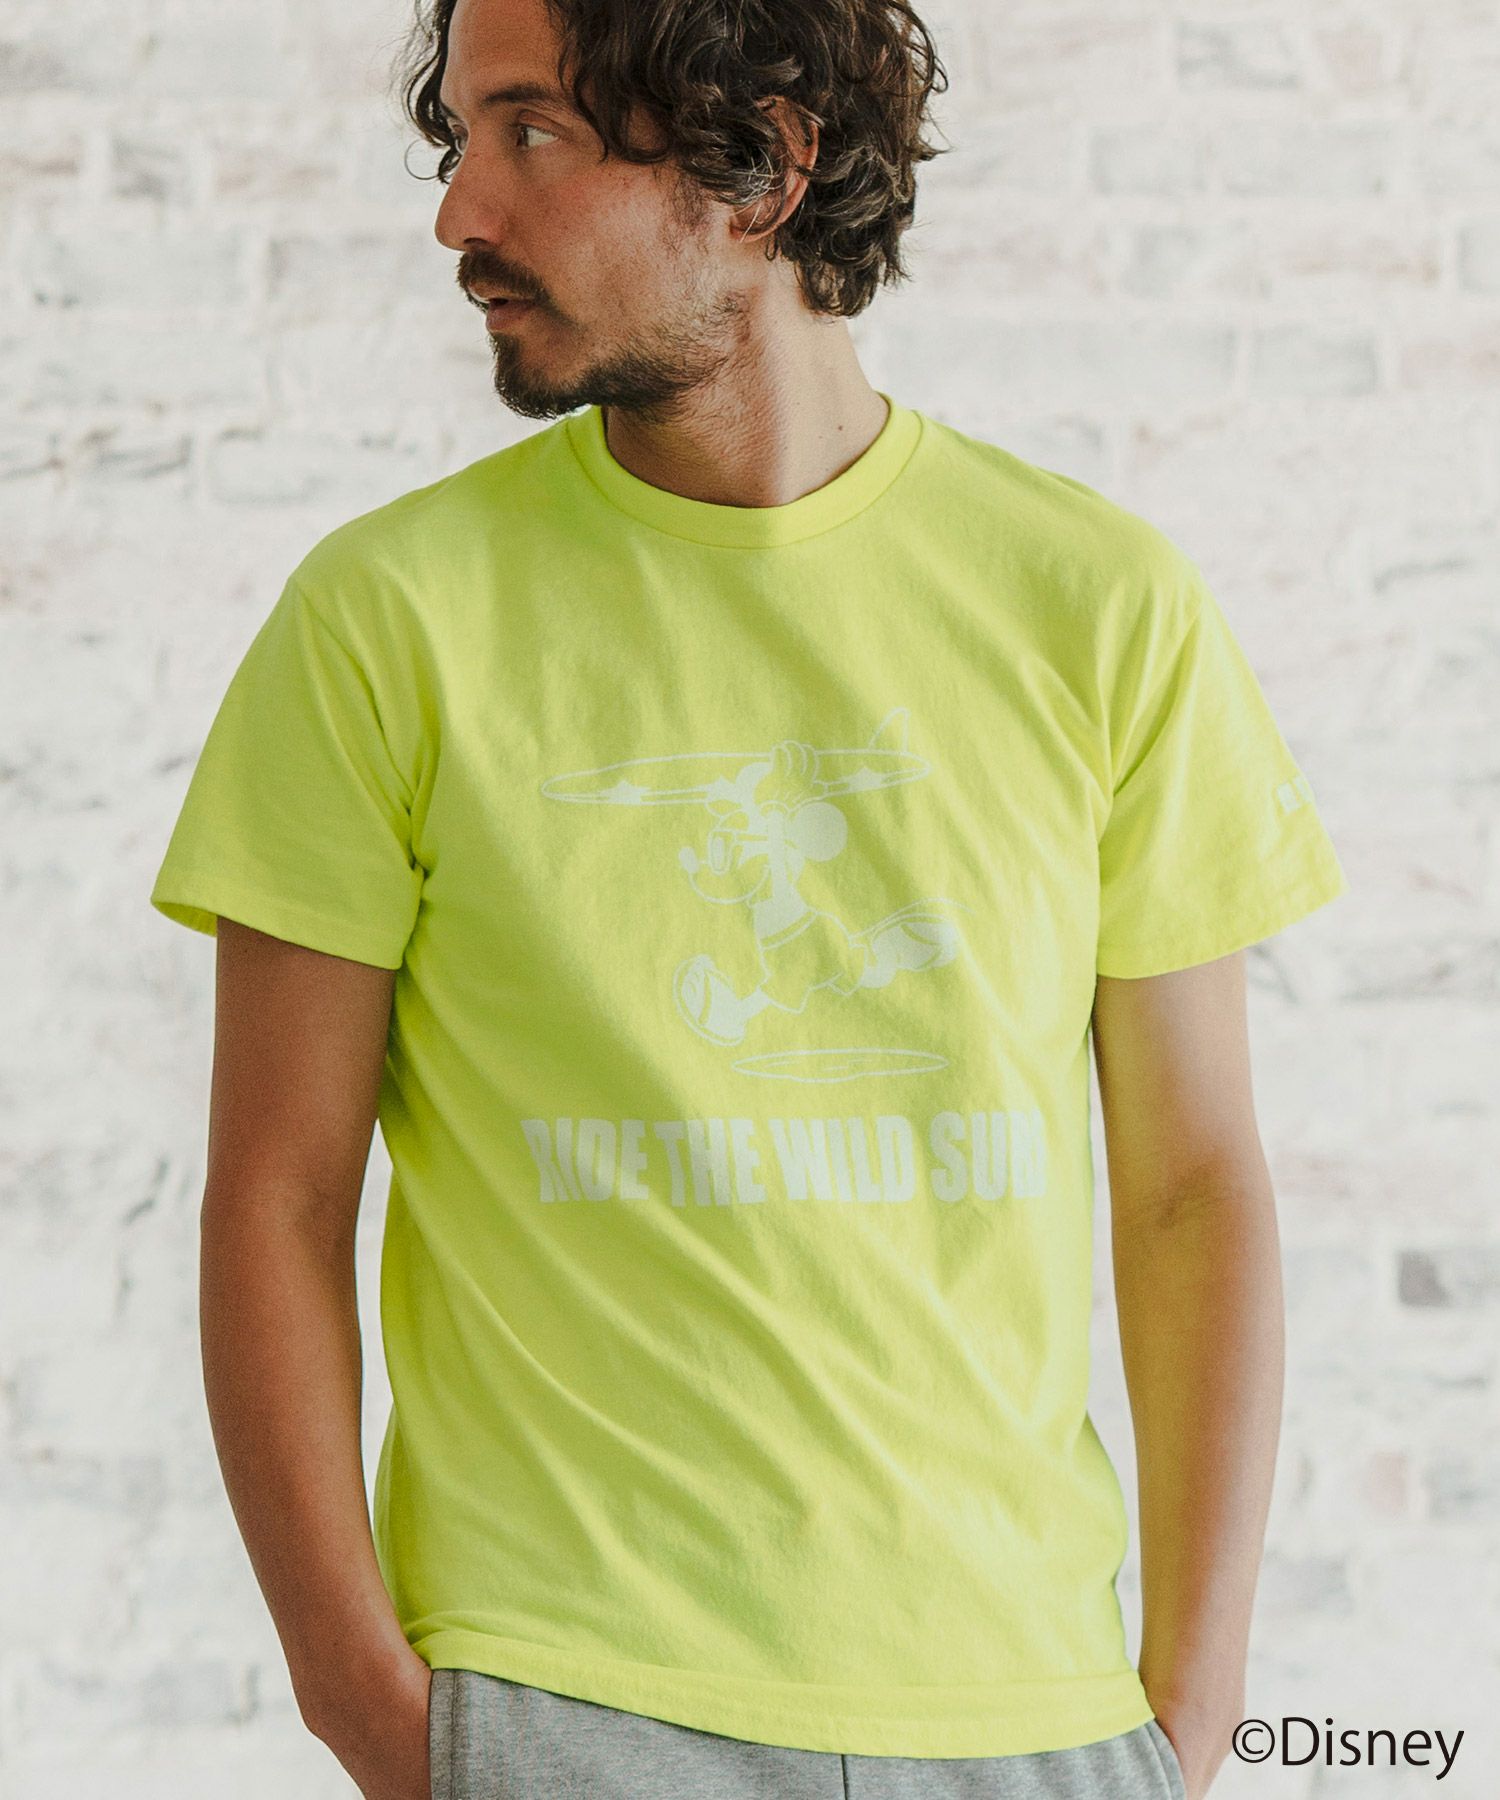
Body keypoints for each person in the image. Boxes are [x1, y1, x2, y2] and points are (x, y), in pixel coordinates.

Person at [148, 0, 1349, 1795]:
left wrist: (1193, 1713)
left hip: (1034, 1716)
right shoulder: (385, 624)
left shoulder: (1101, 608)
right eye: (459, 138)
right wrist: (374, 1710)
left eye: (533, 133)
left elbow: (1192, 1186)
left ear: (766, 167)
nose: (459, 211)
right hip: (565, 1704)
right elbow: (278, 1192)